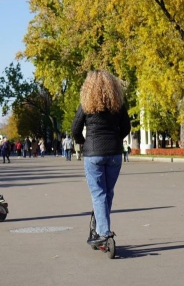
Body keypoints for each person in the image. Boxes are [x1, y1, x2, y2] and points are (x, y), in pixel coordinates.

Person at [71, 70, 131, 246]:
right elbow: (126, 127)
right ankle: (99, 227)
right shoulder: (117, 104)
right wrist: (116, 139)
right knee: (107, 193)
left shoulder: (86, 105)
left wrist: (83, 142)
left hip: (93, 154)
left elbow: (75, 129)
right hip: (114, 154)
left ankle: (103, 233)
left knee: (99, 194)